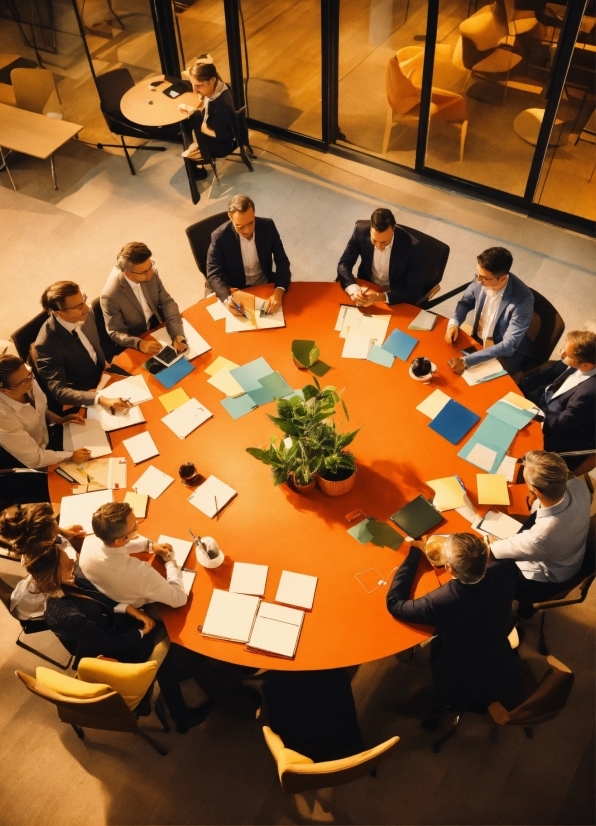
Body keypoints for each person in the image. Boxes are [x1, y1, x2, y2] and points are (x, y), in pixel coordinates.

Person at [21, 539, 213, 733]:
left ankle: (173, 698)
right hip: (110, 651)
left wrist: (129, 609)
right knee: (164, 648)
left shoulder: (67, 579)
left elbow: (101, 599)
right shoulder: (65, 615)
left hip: (110, 628)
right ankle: (181, 715)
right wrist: (141, 631)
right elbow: (111, 644)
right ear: (52, 576)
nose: (72, 561)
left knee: (155, 614)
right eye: (66, 564)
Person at [387, 533, 519, 709]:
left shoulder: (441, 600)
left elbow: (395, 604)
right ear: (487, 554)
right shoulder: (507, 569)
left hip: (460, 670)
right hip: (498, 652)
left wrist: (414, 555)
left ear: (449, 568)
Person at [490, 450, 591, 617]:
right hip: (571, 555)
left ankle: (519, 612)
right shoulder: (579, 486)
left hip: (547, 579)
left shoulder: (541, 535)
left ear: (536, 490)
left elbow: (492, 552)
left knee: (493, 572)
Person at [34, 281, 133, 411]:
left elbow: (95, 344)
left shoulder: (85, 314)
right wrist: (99, 398)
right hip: (86, 392)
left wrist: (104, 363)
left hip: (106, 372)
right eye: (79, 306)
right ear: (58, 313)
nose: (86, 308)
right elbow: (60, 391)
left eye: (83, 300)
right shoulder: (46, 345)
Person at [78, 501, 187, 609]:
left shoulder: (89, 541)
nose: (137, 526)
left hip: (111, 589)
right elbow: (179, 599)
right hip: (139, 602)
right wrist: (170, 563)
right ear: (121, 540)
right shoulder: (142, 574)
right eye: (135, 526)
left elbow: (114, 547)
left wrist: (148, 545)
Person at [445, 247, 534, 375]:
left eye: (483, 278)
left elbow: (509, 345)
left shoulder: (523, 299)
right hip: (477, 341)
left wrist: (466, 361)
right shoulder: (481, 277)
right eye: (477, 274)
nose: (477, 280)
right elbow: (464, 303)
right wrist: (454, 323)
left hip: (503, 353)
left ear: (502, 278)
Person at [520, 330, 596, 469]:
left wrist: (531, 421)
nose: (561, 354)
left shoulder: (589, 393)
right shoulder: (578, 364)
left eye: (567, 354)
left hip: (555, 429)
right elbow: (550, 381)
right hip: (543, 405)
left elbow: (562, 423)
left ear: (585, 365)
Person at [206, 194, 291, 316]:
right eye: (240, 226)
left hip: (265, 284)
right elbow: (214, 275)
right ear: (230, 217)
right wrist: (227, 300)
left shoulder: (268, 226)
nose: (247, 230)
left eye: (251, 223)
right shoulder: (219, 237)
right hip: (237, 290)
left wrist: (279, 290)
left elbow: (282, 260)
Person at [0, 355, 91, 469]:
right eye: (24, 382)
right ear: (4, 390)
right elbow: (35, 459)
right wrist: (70, 456)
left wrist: (59, 419)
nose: (31, 382)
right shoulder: (3, 417)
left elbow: (41, 409)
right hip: (32, 458)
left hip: (47, 439)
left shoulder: (27, 379)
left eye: (29, 374)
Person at [100, 242, 188, 356]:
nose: (150, 272)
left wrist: (177, 334)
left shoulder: (151, 274)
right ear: (128, 274)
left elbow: (167, 303)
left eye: (150, 266)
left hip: (157, 327)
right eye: (144, 271)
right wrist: (139, 344)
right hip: (136, 339)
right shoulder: (110, 296)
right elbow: (116, 332)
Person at [0, 502, 85, 620]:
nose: (55, 521)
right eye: (53, 522)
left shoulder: (31, 546)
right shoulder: (56, 563)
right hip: (35, 605)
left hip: (31, 589)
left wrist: (62, 531)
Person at [336, 208, 424, 307]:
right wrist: (353, 289)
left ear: (394, 228)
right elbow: (344, 264)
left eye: (384, 242)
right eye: (374, 241)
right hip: (366, 287)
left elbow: (414, 290)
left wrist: (380, 297)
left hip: (394, 295)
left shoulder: (412, 247)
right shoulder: (360, 231)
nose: (379, 247)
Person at [178, 56, 236, 181]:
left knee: (188, 154)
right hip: (225, 131)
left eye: (199, 86)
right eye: (193, 84)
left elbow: (220, 134)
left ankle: (199, 172)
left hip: (222, 144)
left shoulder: (221, 107)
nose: (194, 90)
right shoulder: (222, 86)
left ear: (212, 80)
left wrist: (195, 115)